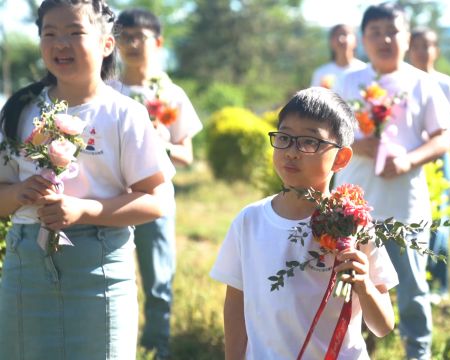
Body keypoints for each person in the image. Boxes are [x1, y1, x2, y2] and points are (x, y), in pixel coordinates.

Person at [0, 0, 174, 359]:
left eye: (75, 32)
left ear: (107, 43)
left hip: (99, 266)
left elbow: (158, 199)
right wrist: (19, 193)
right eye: (49, 33)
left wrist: (84, 210)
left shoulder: (124, 114)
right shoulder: (20, 109)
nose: (60, 44)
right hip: (26, 265)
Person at [210, 87, 398, 359]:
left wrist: (364, 285)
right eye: (284, 138)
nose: (292, 152)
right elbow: (236, 306)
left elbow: (382, 326)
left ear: (341, 158)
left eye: (309, 142)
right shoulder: (249, 221)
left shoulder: (354, 226)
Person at [334, 3, 450, 359]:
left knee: (413, 291)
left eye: (393, 31)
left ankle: (418, 353)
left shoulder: (422, 82)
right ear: (363, 39)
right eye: (375, 32)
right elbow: (328, 135)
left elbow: (442, 138)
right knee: (351, 284)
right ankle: (357, 351)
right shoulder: (349, 81)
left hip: (405, 208)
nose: (385, 39)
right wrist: (358, 143)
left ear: (406, 37)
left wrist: (407, 160)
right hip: (354, 206)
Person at [111, 8, 203, 358]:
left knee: (157, 280)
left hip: (156, 198)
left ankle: (156, 347)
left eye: (141, 37)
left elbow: (186, 155)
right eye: (124, 36)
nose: (132, 44)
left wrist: (159, 141)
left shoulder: (171, 93)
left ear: (158, 42)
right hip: (112, 197)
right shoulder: (107, 89)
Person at [408, 28, 450, 305]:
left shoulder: (447, 84)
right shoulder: (403, 82)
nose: (422, 51)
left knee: (438, 222)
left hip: (438, 161)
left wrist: (436, 124)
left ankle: (439, 285)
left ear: (436, 50)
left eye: (427, 46)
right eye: (417, 46)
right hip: (410, 157)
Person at [310, 24, 367, 90]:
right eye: (336, 35)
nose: (341, 39)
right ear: (330, 42)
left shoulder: (365, 70)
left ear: (356, 41)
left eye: (345, 34)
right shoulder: (321, 73)